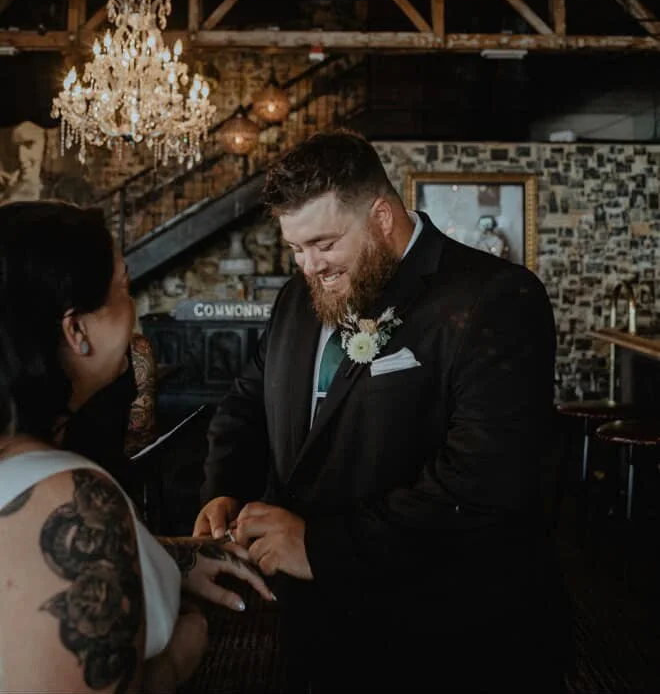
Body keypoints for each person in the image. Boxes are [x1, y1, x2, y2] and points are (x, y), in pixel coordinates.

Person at [194, 128, 573, 694]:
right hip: (320, 627)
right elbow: (248, 402)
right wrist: (225, 488)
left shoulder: (495, 295)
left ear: (380, 216)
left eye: (323, 243)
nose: (308, 266)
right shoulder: (298, 296)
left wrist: (320, 546)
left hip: (450, 632)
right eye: (295, 248)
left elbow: (487, 481)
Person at [0, 200, 275, 693]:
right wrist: (174, 662)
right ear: (76, 328)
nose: (136, 310)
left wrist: (170, 557)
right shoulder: (73, 499)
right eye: (125, 289)